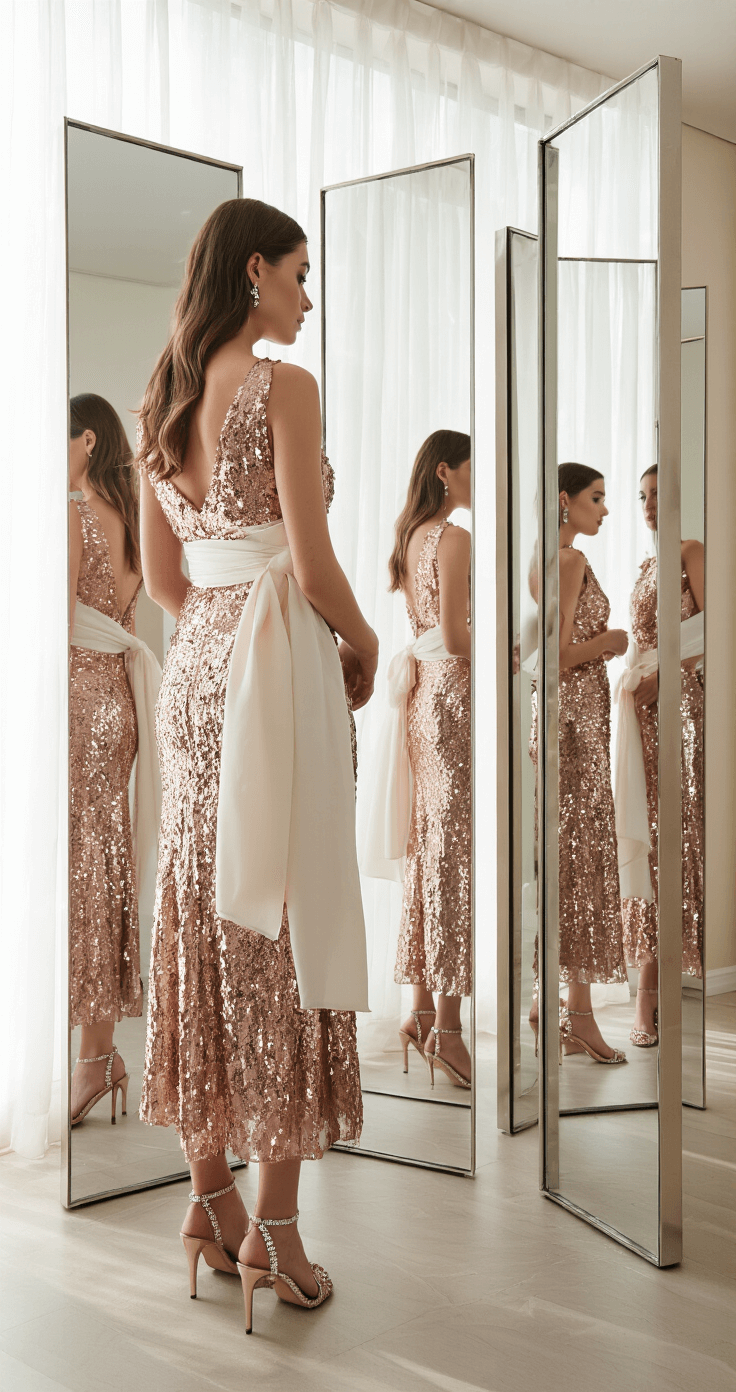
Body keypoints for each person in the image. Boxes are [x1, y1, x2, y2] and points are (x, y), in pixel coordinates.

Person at [136, 198, 377, 1335]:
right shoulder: (283, 384)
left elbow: (164, 582)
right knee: (277, 917)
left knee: (200, 912)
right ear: (253, 274)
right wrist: (364, 645)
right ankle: (276, 1237)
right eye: (298, 271)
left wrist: (219, 632)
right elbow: (316, 560)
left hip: (198, 667)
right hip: (275, 669)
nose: (306, 294)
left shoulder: (159, 401)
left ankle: (209, 1198)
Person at [530, 463, 628, 1064]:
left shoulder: (547, 557)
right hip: (575, 725)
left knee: (566, 861)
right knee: (582, 861)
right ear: (566, 500)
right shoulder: (567, 562)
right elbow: (558, 654)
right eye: (597, 498)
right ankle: (580, 1018)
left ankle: (554, 1006)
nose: (606, 509)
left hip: (571, 722)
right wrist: (610, 643)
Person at [385, 429, 472, 1089]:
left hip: (424, 702)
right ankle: (447, 1026)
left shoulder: (413, 537)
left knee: (430, 851)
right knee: (453, 860)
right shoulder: (454, 538)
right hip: (454, 700)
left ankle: (420, 1011)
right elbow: (454, 635)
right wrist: (509, 651)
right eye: (472, 469)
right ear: (446, 471)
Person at [68, 393, 145, 1124]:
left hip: (73, 699)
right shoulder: (134, 523)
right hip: (116, 701)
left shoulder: (75, 515)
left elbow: (50, 617)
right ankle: (98, 1051)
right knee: (100, 858)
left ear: (85, 440)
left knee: (75, 865)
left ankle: (92, 1058)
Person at [622, 464, 704, 1046]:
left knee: (670, 841)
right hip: (639, 711)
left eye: (658, 495)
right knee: (644, 841)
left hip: (676, 711)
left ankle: (648, 1005)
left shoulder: (689, 551)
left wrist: (666, 675)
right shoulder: (646, 566)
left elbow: (712, 627)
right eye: (643, 497)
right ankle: (646, 995)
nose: (649, 505)